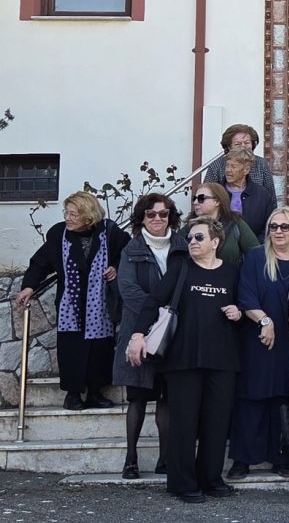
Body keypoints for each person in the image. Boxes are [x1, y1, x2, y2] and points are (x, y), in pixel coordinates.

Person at [129, 217, 242, 504]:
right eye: (190, 238)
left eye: (199, 238)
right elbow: (153, 302)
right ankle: (182, 482)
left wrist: (238, 312)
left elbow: (245, 306)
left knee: (216, 424)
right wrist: (138, 335)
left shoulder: (232, 272)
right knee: (184, 423)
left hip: (222, 360)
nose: (192, 242)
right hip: (182, 360)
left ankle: (211, 478)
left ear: (215, 243)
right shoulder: (180, 269)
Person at [16, 191, 130, 411]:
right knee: (71, 347)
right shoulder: (59, 234)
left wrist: (116, 267)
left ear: (88, 216)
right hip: (71, 305)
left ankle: (96, 393)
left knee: (100, 347)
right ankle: (73, 394)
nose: (68, 218)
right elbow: (40, 262)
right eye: (67, 213)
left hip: (99, 304)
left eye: (74, 214)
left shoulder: (110, 232)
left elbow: (126, 252)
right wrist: (29, 286)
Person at [227, 207, 289, 481]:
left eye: (284, 227)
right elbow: (246, 296)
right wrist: (265, 321)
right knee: (252, 396)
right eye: (274, 227)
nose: (278, 231)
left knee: (285, 397)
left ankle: (284, 456)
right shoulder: (255, 257)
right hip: (260, 337)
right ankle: (243, 459)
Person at [112, 194, 183, 479]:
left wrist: (171, 312)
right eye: (151, 215)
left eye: (163, 214)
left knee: (166, 397)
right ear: (141, 217)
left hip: (173, 332)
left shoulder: (182, 246)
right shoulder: (132, 249)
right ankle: (131, 458)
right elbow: (127, 289)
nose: (157, 219)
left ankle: (165, 459)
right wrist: (159, 312)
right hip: (139, 332)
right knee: (138, 398)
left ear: (170, 217)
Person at [184, 183, 259, 265]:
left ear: (217, 201)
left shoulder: (235, 223)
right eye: (194, 198)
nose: (195, 202)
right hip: (196, 275)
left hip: (231, 275)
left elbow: (255, 253)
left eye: (201, 198)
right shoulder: (189, 226)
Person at [203, 123, 278, 206]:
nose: (243, 146)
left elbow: (271, 198)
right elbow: (205, 194)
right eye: (237, 144)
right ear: (229, 147)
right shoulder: (217, 165)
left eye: (246, 143)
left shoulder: (261, 164)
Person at [218, 148, 274, 240]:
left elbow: (268, 226)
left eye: (233, 166)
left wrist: (255, 247)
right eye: (227, 166)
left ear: (246, 170)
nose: (228, 170)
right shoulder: (216, 192)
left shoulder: (262, 195)